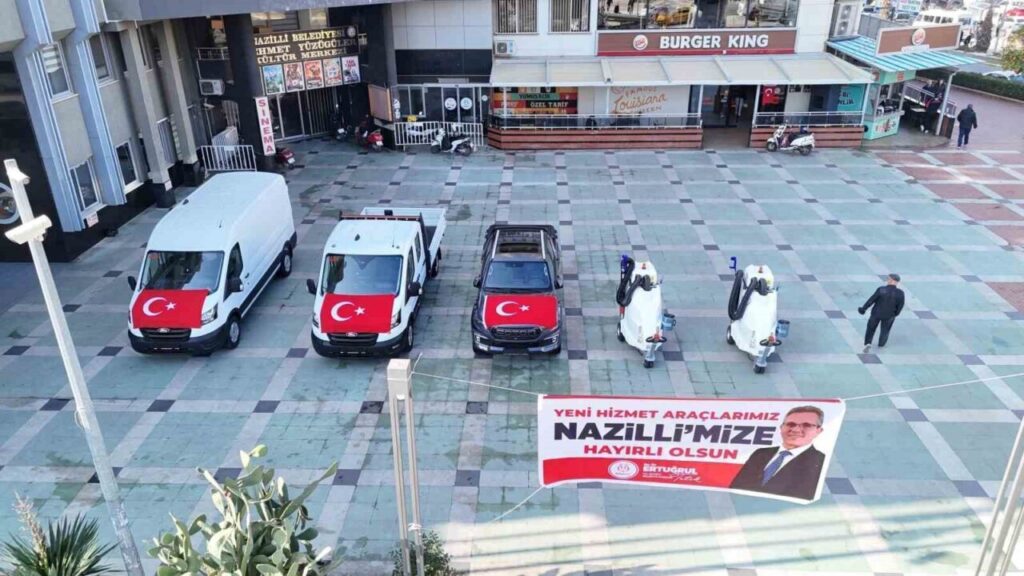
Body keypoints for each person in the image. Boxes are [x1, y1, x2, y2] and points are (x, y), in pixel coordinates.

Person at [729, 406, 827, 501]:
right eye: (790, 424)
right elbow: (735, 488)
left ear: (819, 431)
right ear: (781, 427)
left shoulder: (821, 461)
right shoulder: (760, 453)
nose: (795, 430)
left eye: (806, 425)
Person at [858, 273, 905, 353]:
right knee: (885, 330)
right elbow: (900, 305)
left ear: (892, 280)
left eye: (888, 278)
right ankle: (881, 344)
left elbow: (871, 300)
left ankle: (868, 343)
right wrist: (895, 314)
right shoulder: (900, 293)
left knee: (870, 328)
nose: (887, 280)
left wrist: (863, 309)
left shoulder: (881, 289)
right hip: (889, 315)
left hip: (876, 313)